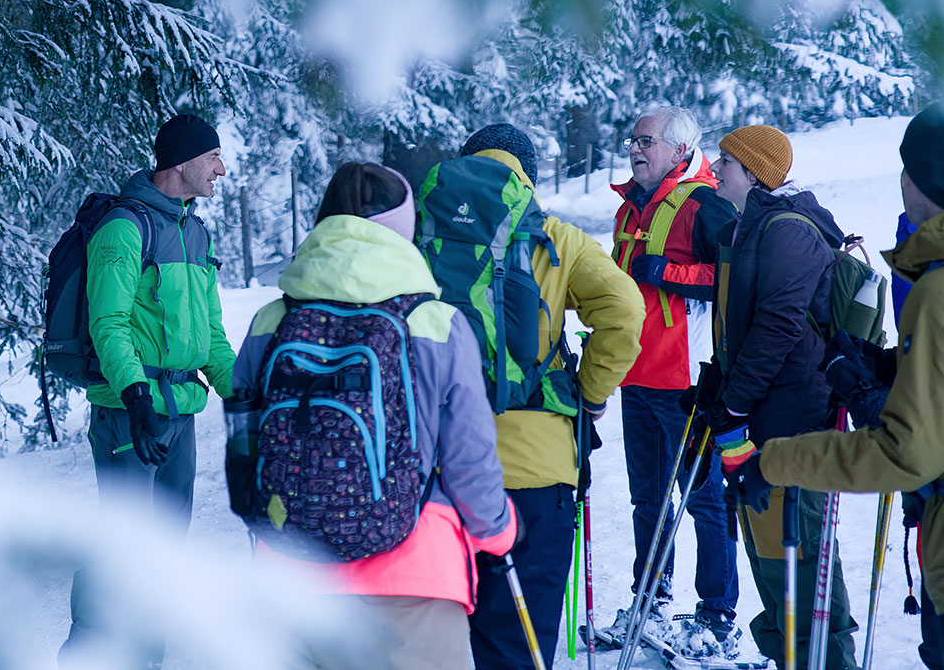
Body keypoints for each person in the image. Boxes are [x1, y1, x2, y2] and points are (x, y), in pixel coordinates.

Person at [232, 162, 519, 670]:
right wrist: (496, 531)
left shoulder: (271, 321)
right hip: (416, 580)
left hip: (291, 579)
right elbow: (468, 458)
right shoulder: (437, 323)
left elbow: (245, 446)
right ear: (402, 231)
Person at [734, 99, 944, 669]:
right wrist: (889, 368)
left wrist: (773, 460)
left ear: (933, 179)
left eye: (908, 171)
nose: (903, 184)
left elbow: (906, 452)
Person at [453, 125, 645, 670]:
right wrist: (588, 394)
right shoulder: (557, 238)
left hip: (440, 470)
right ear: (529, 179)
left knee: (437, 640)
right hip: (537, 470)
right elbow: (626, 313)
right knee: (518, 643)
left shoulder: (427, 235)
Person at [60, 112, 237, 667]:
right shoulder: (123, 229)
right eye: (212, 158)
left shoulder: (194, 230)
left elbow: (210, 337)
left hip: (179, 416)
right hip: (127, 416)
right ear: (181, 161)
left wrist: (250, 395)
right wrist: (136, 397)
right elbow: (107, 325)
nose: (221, 169)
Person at [703, 124, 858, 669]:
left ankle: (822, 658)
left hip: (791, 414)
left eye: (725, 160)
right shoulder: (748, 225)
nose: (715, 167)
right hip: (762, 409)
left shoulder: (787, 229)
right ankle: (790, 656)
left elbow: (778, 325)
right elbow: (745, 323)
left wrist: (736, 399)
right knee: (768, 544)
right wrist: (719, 382)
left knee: (797, 545)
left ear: (754, 170)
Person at [605, 106, 742, 656]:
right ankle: (650, 602)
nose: (635, 148)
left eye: (646, 140)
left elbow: (733, 276)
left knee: (704, 501)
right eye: (631, 140)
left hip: (686, 381)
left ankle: (716, 618)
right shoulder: (628, 211)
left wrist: (667, 271)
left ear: (680, 149)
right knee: (647, 499)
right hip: (634, 376)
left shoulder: (704, 203)